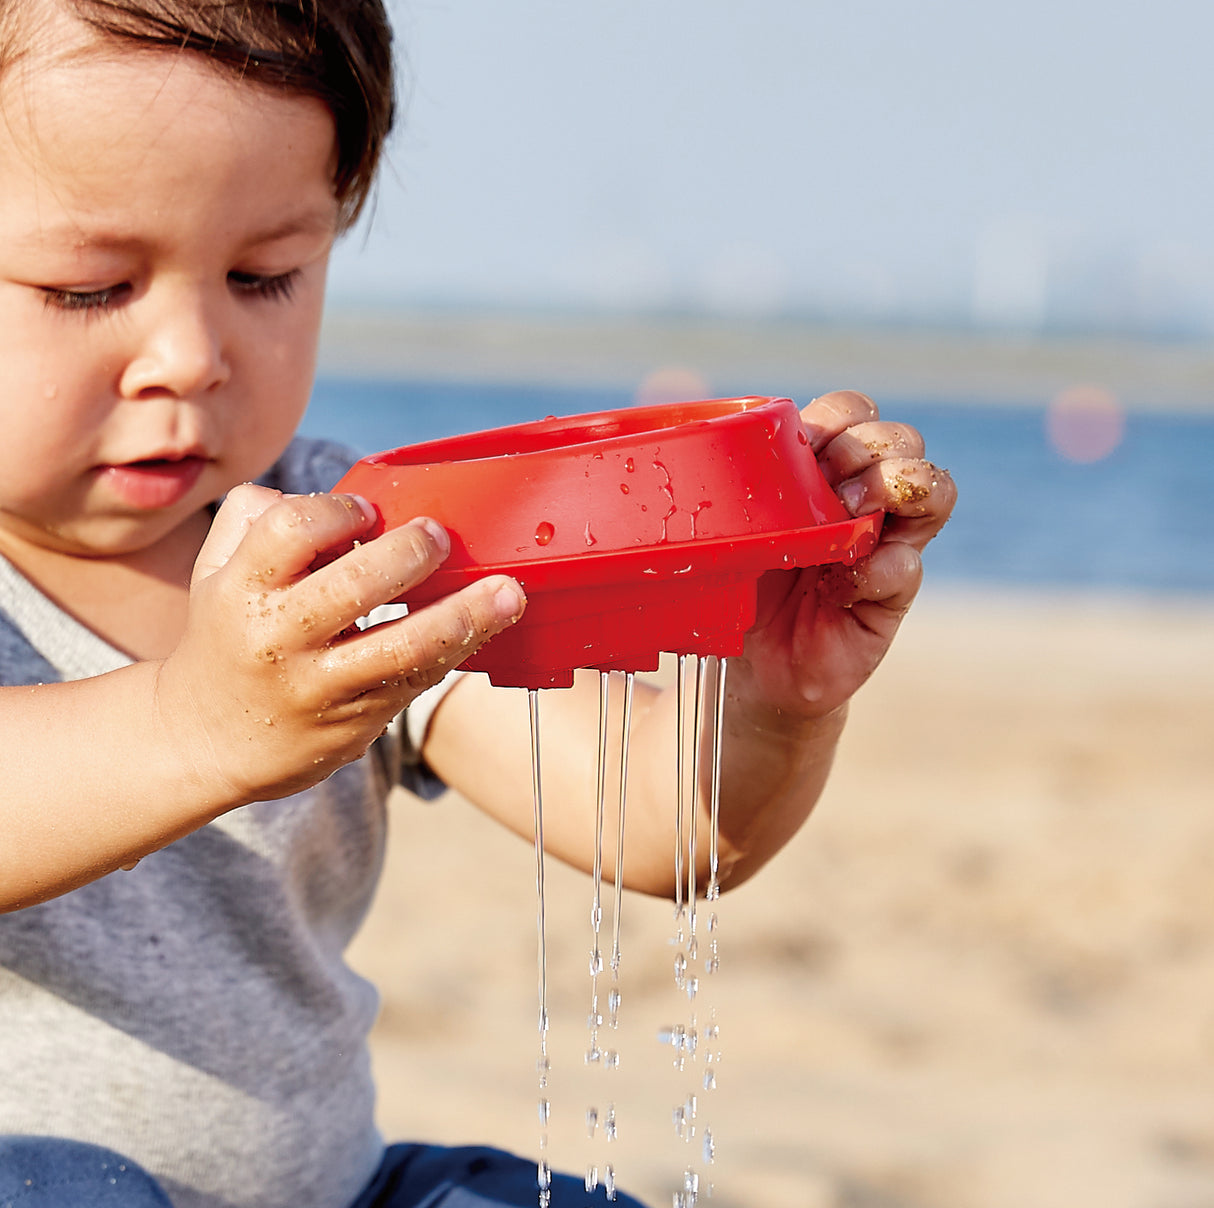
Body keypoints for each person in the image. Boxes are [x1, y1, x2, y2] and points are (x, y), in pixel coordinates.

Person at [0, 0, 957, 1205]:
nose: (191, 352)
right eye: (87, 287)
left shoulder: (343, 551)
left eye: (264, 273)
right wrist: (197, 727)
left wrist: (772, 699)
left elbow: (668, 833)